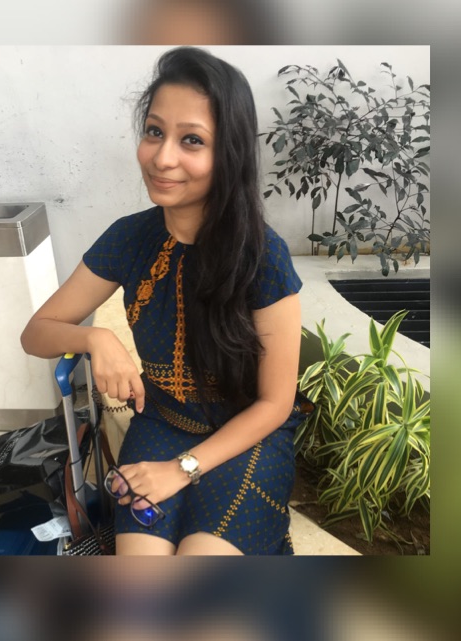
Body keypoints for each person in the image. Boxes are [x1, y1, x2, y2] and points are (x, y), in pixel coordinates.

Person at [21, 46, 303, 556]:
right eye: (155, 132)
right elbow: (36, 332)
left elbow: (275, 403)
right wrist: (95, 338)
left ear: (229, 153)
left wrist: (182, 469)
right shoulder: (129, 239)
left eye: (191, 140)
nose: (162, 157)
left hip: (248, 436)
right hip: (162, 423)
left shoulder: (264, 257)